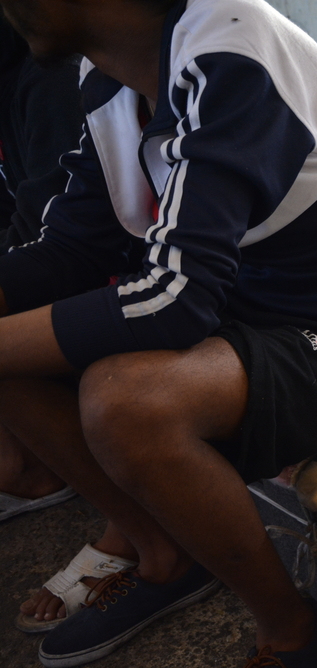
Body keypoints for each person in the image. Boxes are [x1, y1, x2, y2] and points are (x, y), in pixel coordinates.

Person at [1, 2, 317, 668]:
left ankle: (292, 632)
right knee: (18, 358)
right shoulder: (110, 79)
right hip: (245, 322)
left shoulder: (234, 46)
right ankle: (164, 552)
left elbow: (175, 301)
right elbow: (72, 249)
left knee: (125, 400)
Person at [0, 16, 86, 524]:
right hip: (55, 255)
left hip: (85, 271)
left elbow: (56, 233)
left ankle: (32, 473)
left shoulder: (52, 78)